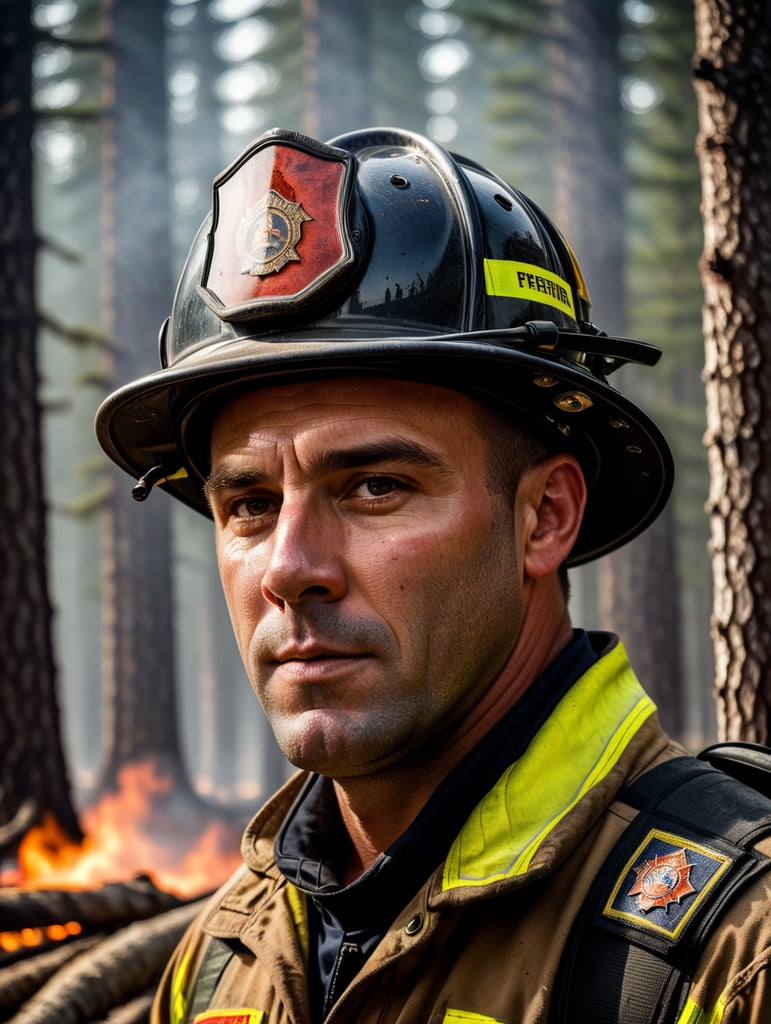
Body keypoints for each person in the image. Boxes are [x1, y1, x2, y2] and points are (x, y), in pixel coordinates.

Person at [95, 126, 771, 1024]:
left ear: (544, 518)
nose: (291, 569)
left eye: (375, 486)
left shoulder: (735, 949)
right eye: (250, 504)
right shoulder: (224, 961)